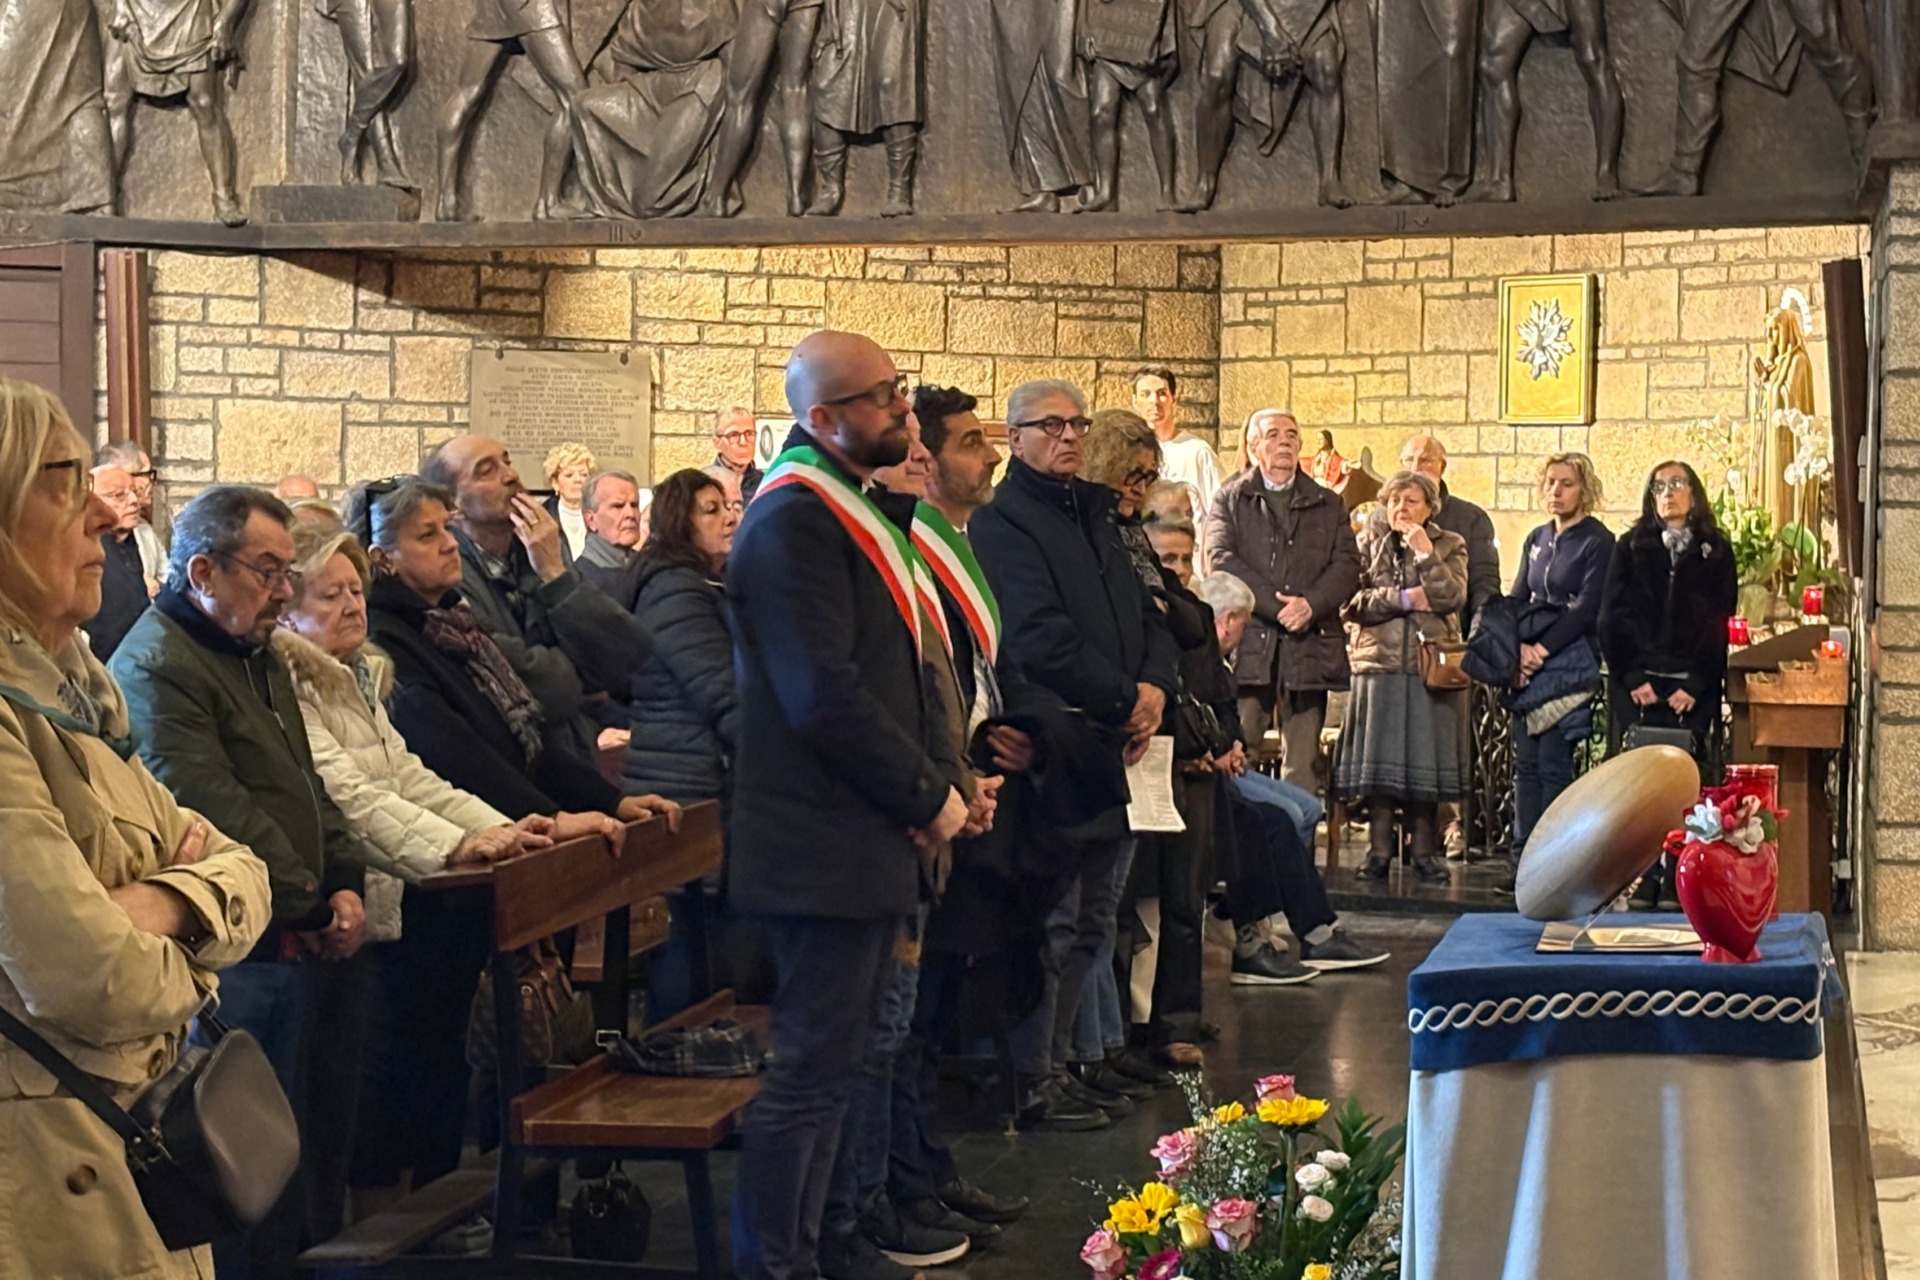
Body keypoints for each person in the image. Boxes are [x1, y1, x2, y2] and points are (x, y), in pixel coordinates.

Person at [272, 522, 628, 1214]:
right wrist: (455, 847)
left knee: (422, 1079)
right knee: (375, 1105)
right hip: (355, 910)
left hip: (403, 899)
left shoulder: (356, 676)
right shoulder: (291, 685)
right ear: (287, 610)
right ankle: (376, 1241)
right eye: (330, 594)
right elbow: (351, 794)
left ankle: (422, 1229)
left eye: (355, 590)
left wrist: (503, 830)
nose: (352, 604)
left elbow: (411, 777)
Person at [0, 378, 269, 1280]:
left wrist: (159, 905)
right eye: (60, 486)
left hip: (129, 1147)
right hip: (44, 1184)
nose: (104, 519)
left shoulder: (77, 692)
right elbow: (89, 975)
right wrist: (198, 929)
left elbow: (243, 867)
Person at [727, 332, 971, 1280]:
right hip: (820, 849)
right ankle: (774, 1265)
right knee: (808, 1076)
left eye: (899, 389)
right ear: (822, 419)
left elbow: (894, 676)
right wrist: (928, 795)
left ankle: (814, 1250)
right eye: (882, 397)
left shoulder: (851, 508)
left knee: (839, 1071)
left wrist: (941, 781)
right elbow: (822, 695)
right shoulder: (793, 521)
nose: (903, 409)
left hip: (861, 842)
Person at [109, 484, 372, 1278]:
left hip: (307, 935)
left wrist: (346, 880)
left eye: (288, 572)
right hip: (249, 956)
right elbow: (214, 809)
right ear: (202, 572)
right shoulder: (157, 666)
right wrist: (313, 906)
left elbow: (306, 785)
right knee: (252, 1180)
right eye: (267, 571)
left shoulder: (255, 652)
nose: (283, 592)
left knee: (319, 1158)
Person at [970, 378, 1177, 1130]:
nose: (1068, 437)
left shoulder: (1095, 514)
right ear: (1015, 437)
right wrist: (1127, 699)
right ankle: (1035, 1077)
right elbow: (1037, 635)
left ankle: (1064, 1066)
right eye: (1050, 425)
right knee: (1056, 926)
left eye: (1077, 425)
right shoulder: (1004, 523)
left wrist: (1155, 687)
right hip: (1065, 743)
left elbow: (1153, 617)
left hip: (1115, 739)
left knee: (1095, 921)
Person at [898, 384, 1037, 1225]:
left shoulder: (958, 541)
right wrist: (955, 769)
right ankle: (912, 1180)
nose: (989, 457)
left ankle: (929, 1167)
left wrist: (1002, 734)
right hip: (929, 801)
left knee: (943, 993)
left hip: (969, 780)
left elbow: (974, 667)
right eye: (970, 443)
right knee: (913, 1012)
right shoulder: (913, 547)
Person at [349, 478, 670, 828]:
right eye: (428, 536)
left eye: (447, 528)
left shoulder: (455, 622)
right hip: (474, 829)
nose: (450, 544)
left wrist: (613, 801)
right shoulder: (385, 638)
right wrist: (551, 818)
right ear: (384, 559)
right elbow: (457, 753)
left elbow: (527, 741)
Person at [1182, 567, 1388, 975]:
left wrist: (1232, 744)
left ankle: (1284, 924)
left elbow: (1225, 713)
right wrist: (1216, 750)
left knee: (1306, 810)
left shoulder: (1216, 661)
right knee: (1281, 818)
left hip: (1223, 764)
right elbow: (1193, 713)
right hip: (1202, 769)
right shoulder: (1192, 655)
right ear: (1228, 620)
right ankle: (1271, 928)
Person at [420, 435, 652, 762]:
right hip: (511, 763)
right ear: (452, 505)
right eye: (486, 471)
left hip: (575, 755)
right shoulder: (448, 574)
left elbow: (625, 659)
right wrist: (579, 677)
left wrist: (555, 574)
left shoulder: (543, 550)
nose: (511, 476)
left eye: (507, 462)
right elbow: (537, 688)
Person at [1601, 460, 1737, 903]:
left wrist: (1696, 683)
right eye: (1659, 486)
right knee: (1640, 788)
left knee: (1684, 786)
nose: (1668, 493)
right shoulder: (1630, 546)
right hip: (1638, 684)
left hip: (1689, 685)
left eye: (1677, 484)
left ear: (1693, 493)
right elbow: (1612, 616)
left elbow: (1720, 620)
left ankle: (1680, 873)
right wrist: (1633, 677)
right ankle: (1642, 874)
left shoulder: (1715, 551)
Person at [1204, 409, 1360, 794]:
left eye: (1291, 435)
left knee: (1302, 764)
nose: (1284, 442)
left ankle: (1296, 832)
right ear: (1254, 446)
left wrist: (1310, 604)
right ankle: (1239, 833)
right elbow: (1220, 559)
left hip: (1309, 643)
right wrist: (1280, 609)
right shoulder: (1231, 498)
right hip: (1250, 639)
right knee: (1239, 749)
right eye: (1273, 435)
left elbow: (1347, 565)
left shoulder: (1327, 502)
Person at [1334, 472, 1468, 885]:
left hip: (1428, 667)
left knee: (1422, 764)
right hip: (1378, 665)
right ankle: (1378, 852)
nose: (1401, 508)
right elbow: (1349, 602)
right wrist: (1404, 599)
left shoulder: (1450, 544)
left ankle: (1424, 853)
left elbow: (1450, 597)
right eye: (1394, 500)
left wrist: (1426, 553)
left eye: (1411, 501)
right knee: (1379, 768)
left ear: (1429, 508)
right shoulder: (1365, 544)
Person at [1503, 453, 1615, 887]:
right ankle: (1522, 860)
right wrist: (1516, 648)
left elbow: (1587, 608)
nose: (1556, 491)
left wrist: (1542, 649)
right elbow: (1519, 598)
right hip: (1528, 664)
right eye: (1550, 482)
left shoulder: (1598, 541)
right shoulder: (1537, 537)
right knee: (1526, 766)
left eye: (1566, 483)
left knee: (1553, 764)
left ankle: (1553, 863)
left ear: (1584, 490)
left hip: (1569, 660)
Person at [1398, 433, 1498, 859]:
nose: (1415, 467)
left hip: (1448, 644)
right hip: (1397, 648)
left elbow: (1484, 586)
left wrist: (1476, 638)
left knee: (1445, 741)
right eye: (1407, 459)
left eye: (1425, 460)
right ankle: (1407, 828)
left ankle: (1451, 826)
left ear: (1442, 467)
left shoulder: (1468, 519)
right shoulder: (1388, 516)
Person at [1132, 365, 1223, 560]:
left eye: (1162, 394)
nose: (1154, 401)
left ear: (1174, 399)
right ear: (1135, 401)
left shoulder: (1197, 452)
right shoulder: (1129, 454)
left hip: (1189, 563)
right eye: (1145, 394)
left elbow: (1219, 514)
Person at [83, 461, 154, 659]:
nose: (133, 500)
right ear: (88, 500)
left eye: (135, 492)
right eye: (118, 495)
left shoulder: (135, 540)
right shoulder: (84, 551)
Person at [96, 437, 167, 583]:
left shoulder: (145, 531)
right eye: (146, 474)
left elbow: (168, 577)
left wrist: (157, 586)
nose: (151, 482)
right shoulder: (86, 542)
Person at [576, 469, 646, 596]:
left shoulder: (648, 567)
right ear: (590, 519)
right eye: (618, 506)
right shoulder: (580, 582)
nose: (630, 514)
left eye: (634, 505)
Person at [540, 441, 596, 561]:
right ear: (555, 483)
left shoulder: (601, 516)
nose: (578, 479)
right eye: (569, 475)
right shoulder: (542, 519)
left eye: (584, 475)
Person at [713, 405, 765, 506]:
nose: (743, 442)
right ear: (717, 442)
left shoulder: (765, 484)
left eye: (749, 434)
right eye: (733, 435)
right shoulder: (703, 484)